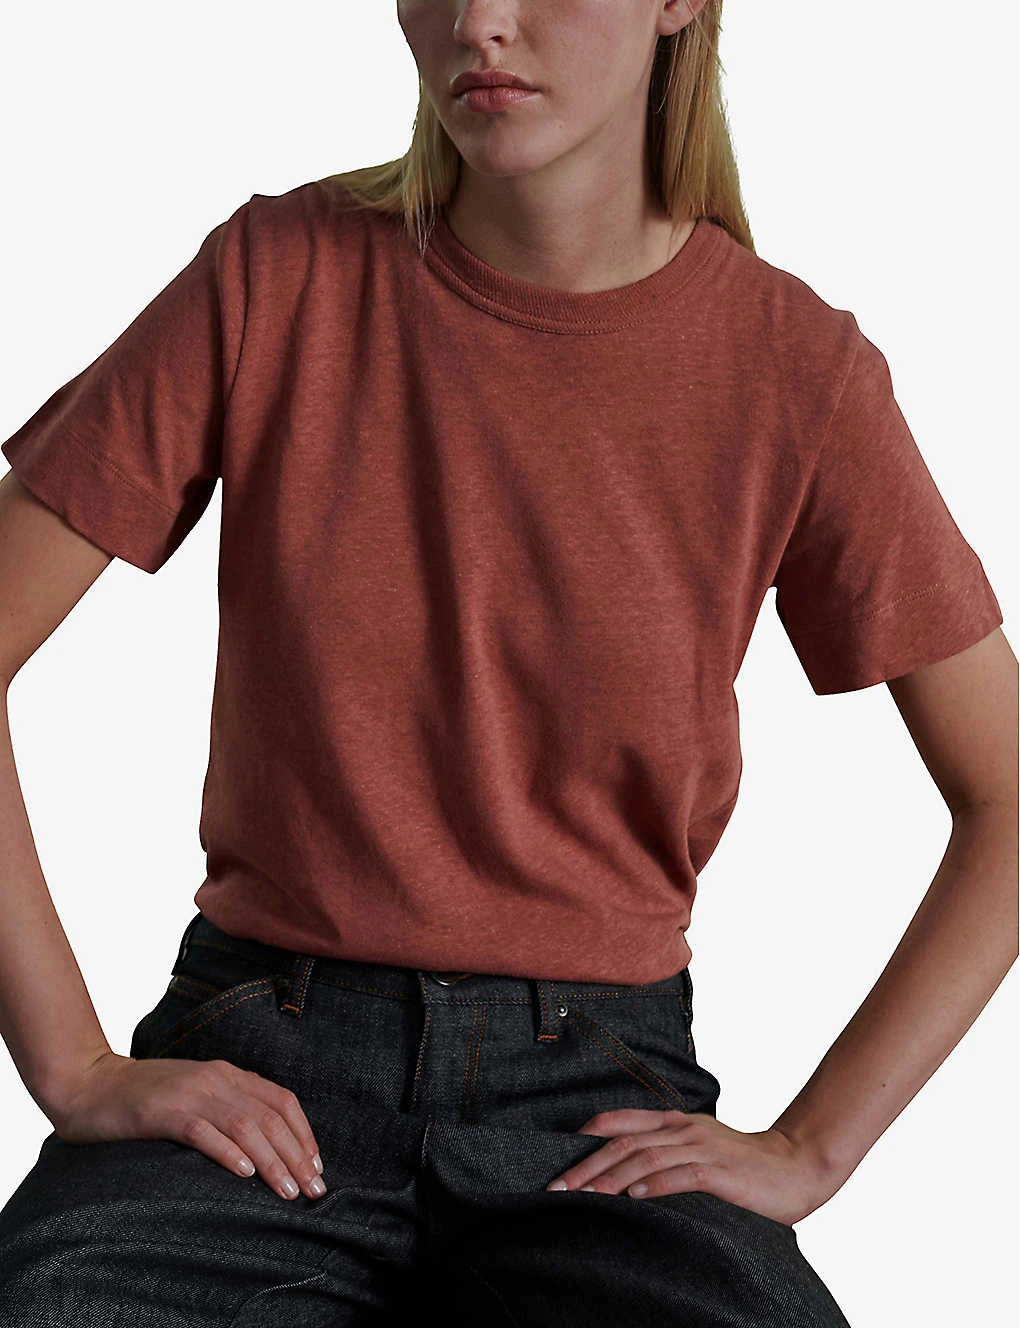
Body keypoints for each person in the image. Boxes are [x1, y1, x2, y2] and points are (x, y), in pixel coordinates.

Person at [0, 0, 1015, 1323]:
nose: (481, 21)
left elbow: (1008, 796)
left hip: (597, 1107)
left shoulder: (795, 371)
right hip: (256, 1072)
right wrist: (72, 1066)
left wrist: (815, 1148)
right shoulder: (274, 277)